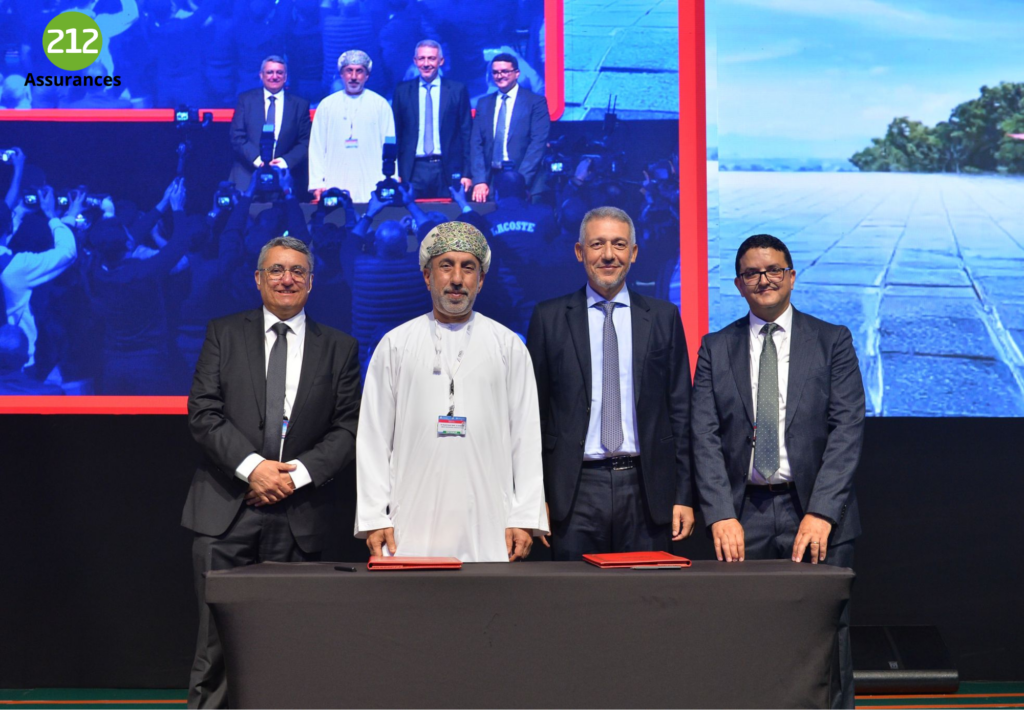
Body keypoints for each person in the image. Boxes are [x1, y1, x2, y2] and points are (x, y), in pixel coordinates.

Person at [181, 235, 361, 708]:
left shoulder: (340, 347)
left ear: (311, 282)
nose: (287, 279)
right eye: (277, 270)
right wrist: (254, 469)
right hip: (225, 511)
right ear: (258, 279)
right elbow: (203, 412)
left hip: (300, 515)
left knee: (294, 642)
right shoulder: (223, 333)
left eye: (298, 271)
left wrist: (291, 478)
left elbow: (349, 428)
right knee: (215, 645)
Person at [691, 233, 865, 709]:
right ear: (738, 284)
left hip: (814, 514)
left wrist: (822, 512)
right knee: (742, 636)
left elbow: (847, 429)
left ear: (791, 276)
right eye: (752, 273)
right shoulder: (715, 347)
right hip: (741, 516)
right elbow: (703, 434)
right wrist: (719, 514)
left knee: (826, 642)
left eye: (773, 270)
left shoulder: (831, 340)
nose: (763, 279)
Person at [356, 221, 547, 562]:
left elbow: (527, 437)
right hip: (408, 522)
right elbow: (374, 438)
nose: (457, 278)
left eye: (468, 268)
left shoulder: (509, 346)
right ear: (427, 276)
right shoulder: (395, 345)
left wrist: (524, 516)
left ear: (481, 280)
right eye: (446, 266)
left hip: (492, 522)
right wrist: (374, 516)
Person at [526, 206, 694, 559]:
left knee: (645, 591)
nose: (608, 255)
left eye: (619, 244)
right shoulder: (549, 317)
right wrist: (534, 497)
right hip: (573, 491)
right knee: (575, 591)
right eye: (597, 244)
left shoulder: (663, 317)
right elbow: (534, 416)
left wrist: (683, 495)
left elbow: (680, 410)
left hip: (647, 489)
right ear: (579, 252)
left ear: (633, 253)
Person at [1, 187, 77, 371]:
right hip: (14, 361)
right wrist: (53, 216)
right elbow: (67, 252)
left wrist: (19, 212)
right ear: (8, 226)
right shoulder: (17, 267)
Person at [308, 50, 396, 203]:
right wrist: (317, 184)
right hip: (334, 182)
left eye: (359, 71)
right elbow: (317, 147)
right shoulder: (326, 106)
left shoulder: (380, 105)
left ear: (367, 76)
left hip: (372, 182)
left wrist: (391, 179)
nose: (354, 77)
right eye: (349, 71)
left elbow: (390, 146)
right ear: (341, 74)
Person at [391, 40, 472, 198]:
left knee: (449, 214)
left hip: (447, 169)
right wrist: (395, 172)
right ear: (415, 61)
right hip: (412, 170)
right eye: (422, 58)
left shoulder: (457, 90)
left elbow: (466, 133)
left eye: (431, 58)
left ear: (441, 61)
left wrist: (467, 173)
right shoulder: (402, 91)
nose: (426, 63)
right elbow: (396, 134)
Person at [469, 53, 550, 202]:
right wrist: (480, 180)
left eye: (505, 71)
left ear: (517, 73)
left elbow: (537, 144)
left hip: (526, 182)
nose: (500, 76)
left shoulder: (535, 102)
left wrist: (519, 182)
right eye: (495, 72)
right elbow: (476, 144)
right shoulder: (484, 103)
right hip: (491, 182)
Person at [229, 56, 313, 193]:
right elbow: (237, 136)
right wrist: (258, 160)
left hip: (285, 179)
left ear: (285, 77)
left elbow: (305, 142)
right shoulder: (246, 100)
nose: (274, 77)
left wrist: (284, 162)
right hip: (247, 176)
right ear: (261, 75)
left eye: (279, 73)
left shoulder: (300, 105)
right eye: (269, 72)